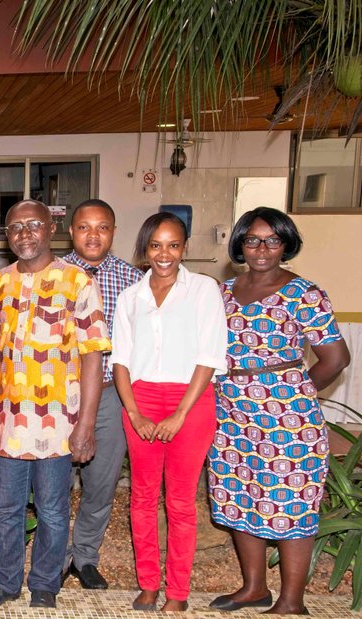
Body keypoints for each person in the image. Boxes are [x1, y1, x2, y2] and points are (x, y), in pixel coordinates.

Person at [208, 207, 350, 615]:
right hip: (231, 416)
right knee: (239, 497)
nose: (262, 248)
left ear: (286, 244)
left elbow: (335, 358)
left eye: (273, 239)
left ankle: (292, 600)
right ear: (239, 244)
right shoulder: (224, 291)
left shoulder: (305, 293)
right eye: (252, 239)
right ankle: (254, 587)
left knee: (292, 503)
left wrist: (294, 394)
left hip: (288, 421)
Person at [0, 200, 109, 610]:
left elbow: (93, 354)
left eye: (33, 225)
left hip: (58, 422)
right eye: (15, 227)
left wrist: (85, 424)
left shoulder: (77, 282)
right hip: (8, 423)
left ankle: (46, 585)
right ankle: (5, 583)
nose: (24, 234)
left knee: (52, 510)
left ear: (52, 228)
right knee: (7, 509)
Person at [110, 211, 227, 612]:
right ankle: (147, 585)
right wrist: (135, 412)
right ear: (145, 248)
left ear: (184, 248)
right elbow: (120, 361)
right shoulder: (130, 297)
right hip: (139, 401)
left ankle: (177, 593)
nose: (165, 254)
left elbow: (210, 356)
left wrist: (179, 414)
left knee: (179, 501)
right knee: (141, 498)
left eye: (173, 245)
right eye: (156, 245)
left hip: (190, 403)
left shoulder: (204, 290)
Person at [60, 199, 143, 589]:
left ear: (113, 231)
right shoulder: (52, 273)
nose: (93, 235)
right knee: (54, 483)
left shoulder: (133, 279)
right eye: (84, 227)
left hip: (110, 393)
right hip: (55, 397)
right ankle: (56, 558)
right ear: (71, 231)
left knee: (101, 482)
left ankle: (86, 556)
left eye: (102, 227)